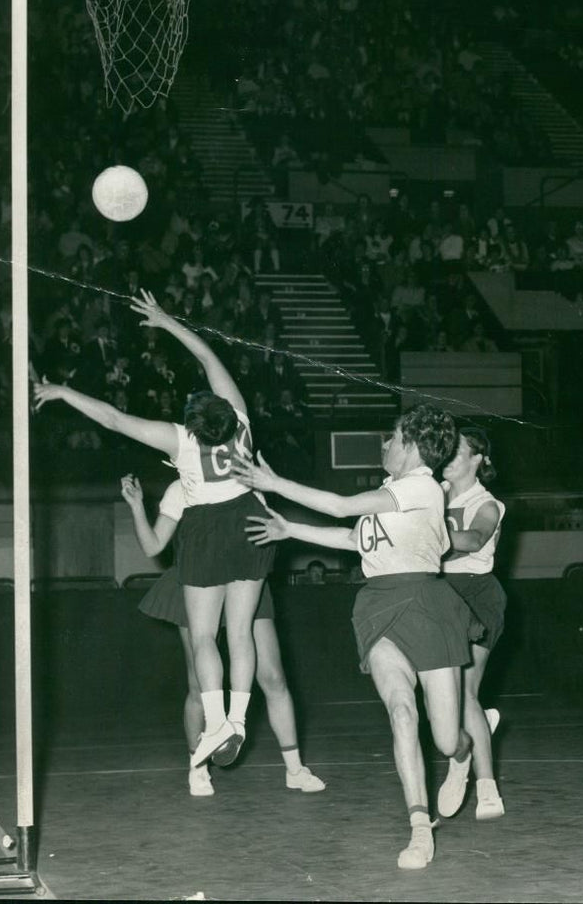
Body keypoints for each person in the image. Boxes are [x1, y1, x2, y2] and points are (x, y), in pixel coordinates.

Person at [33, 289, 275, 770]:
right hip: (249, 519)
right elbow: (208, 354)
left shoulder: (181, 441)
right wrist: (165, 320)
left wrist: (61, 391)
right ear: (225, 413)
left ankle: (215, 720)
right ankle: (239, 722)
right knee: (242, 631)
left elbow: (113, 418)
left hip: (206, 526)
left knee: (205, 637)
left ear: (193, 423)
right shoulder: (243, 419)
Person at [234, 405, 476, 871]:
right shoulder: (391, 495)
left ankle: (463, 754)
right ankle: (420, 828)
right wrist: (289, 528)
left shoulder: (423, 487)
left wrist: (276, 483)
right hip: (379, 606)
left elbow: (344, 506)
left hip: (426, 606)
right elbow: (352, 536)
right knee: (402, 712)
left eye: (391, 436)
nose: (384, 444)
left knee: (446, 740)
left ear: (411, 444)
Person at [120, 473, 325, 797]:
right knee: (199, 686)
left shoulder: (245, 481)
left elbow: (264, 533)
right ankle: (197, 767)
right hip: (198, 579)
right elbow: (152, 545)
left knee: (273, 677)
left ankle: (295, 769)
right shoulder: (180, 488)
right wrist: (135, 506)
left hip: (243, 578)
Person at [438, 427, 506, 822]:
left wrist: (429, 530)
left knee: (464, 691)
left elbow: (474, 539)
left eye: (457, 451)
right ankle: (462, 753)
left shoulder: (488, 504)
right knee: (442, 706)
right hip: (437, 594)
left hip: (477, 595)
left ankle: (487, 788)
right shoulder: (434, 494)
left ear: (478, 459)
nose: (447, 456)